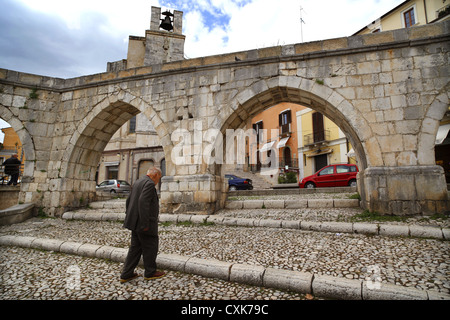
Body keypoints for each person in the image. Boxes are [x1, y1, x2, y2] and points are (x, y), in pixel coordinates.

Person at [120, 167, 166, 283]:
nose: (157, 182)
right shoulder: (150, 184)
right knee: (150, 245)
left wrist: (130, 216)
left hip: (134, 221)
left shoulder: (138, 182)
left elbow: (128, 200)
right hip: (144, 222)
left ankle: (126, 273)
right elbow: (143, 201)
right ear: (155, 175)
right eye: (158, 179)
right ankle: (150, 272)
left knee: (135, 248)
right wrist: (145, 223)